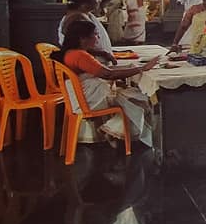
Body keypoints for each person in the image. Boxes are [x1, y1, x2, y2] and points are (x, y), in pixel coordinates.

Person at [53, 19, 158, 147]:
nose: (97, 38)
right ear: (82, 38)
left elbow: (105, 72)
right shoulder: (79, 55)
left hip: (81, 97)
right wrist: (141, 69)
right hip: (88, 100)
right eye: (95, 35)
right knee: (140, 98)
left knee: (130, 94)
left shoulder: (71, 52)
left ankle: (116, 131)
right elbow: (108, 74)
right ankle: (113, 130)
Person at [58, 0, 116, 66]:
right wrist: (103, 54)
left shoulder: (84, 14)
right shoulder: (76, 18)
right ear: (85, 1)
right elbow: (74, 47)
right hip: (88, 66)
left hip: (96, 62)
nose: (99, 0)